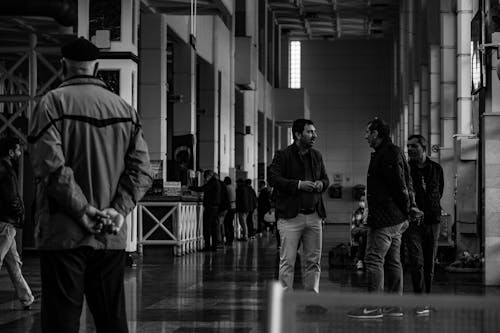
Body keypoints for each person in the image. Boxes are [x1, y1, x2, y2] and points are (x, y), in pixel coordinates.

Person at [28, 37, 153, 333]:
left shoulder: (51, 104)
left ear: (63, 66)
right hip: (110, 235)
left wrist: (84, 211)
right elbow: (142, 170)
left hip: (63, 234)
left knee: (62, 320)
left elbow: (52, 167)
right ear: (97, 67)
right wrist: (118, 211)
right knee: (112, 319)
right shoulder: (124, 109)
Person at [347, 118, 422, 319]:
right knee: (392, 261)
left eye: (367, 132)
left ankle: (374, 306)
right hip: (395, 219)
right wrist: (407, 211)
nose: (365, 136)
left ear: (377, 134)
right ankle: (394, 306)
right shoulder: (390, 152)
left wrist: (407, 209)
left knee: (373, 259)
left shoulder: (387, 154)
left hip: (386, 220)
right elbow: (407, 182)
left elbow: (400, 186)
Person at [268, 118, 329, 297]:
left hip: (314, 216)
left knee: (314, 261)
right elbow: (273, 179)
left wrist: (321, 184)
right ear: (297, 135)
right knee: (287, 261)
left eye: (314, 132)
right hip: (290, 217)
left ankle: (312, 299)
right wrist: (299, 185)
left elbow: (326, 179)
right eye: (310, 132)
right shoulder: (283, 156)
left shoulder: (317, 156)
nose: (314, 136)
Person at [405, 134, 444, 315]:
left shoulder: (436, 169)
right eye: (408, 146)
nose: (410, 149)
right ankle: (420, 301)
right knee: (417, 261)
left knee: (429, 263)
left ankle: (427, 300)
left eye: (414, 146)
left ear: (424, 147)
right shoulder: (406, 169)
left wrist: (431, 209)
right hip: (413, 222)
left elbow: (439, 191)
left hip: (433, 221)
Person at [0, 136, 34, 310]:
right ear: (11, 152)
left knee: (13, 262)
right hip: (6, 222)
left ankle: (27, 297)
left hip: (5, 222)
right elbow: (12, 197)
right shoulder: (6, 170)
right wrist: (20, 213)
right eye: (18, 150)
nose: (20, 153)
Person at [190, 170, 221, 251]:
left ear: (208, 176)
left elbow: (202, 189)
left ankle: (207, 246)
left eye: (205, 177)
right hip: (215, 207)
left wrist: (190, 187)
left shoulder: (212, 182)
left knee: (207, 226)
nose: (204, 179)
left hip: (210, 207)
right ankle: (214, 245)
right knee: (214, 227)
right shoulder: (216, 182)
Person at [350, 197, 367, 270]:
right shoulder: (357, 212)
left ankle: (359, 260)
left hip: (364, 234)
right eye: (361, 201)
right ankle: (360, 260)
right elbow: (354, 227)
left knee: (362, 239)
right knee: (364, 233)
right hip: (358, 231)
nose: (362, 202)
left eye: (363, 201)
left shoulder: (369, 212)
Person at [223, 176, 236, 245]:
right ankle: (231, 237)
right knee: (230, 223)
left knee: (226, 223)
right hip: (234, 206)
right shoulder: (232, 187)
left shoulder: (227, 187)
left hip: (230, 207)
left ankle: (229, 239)